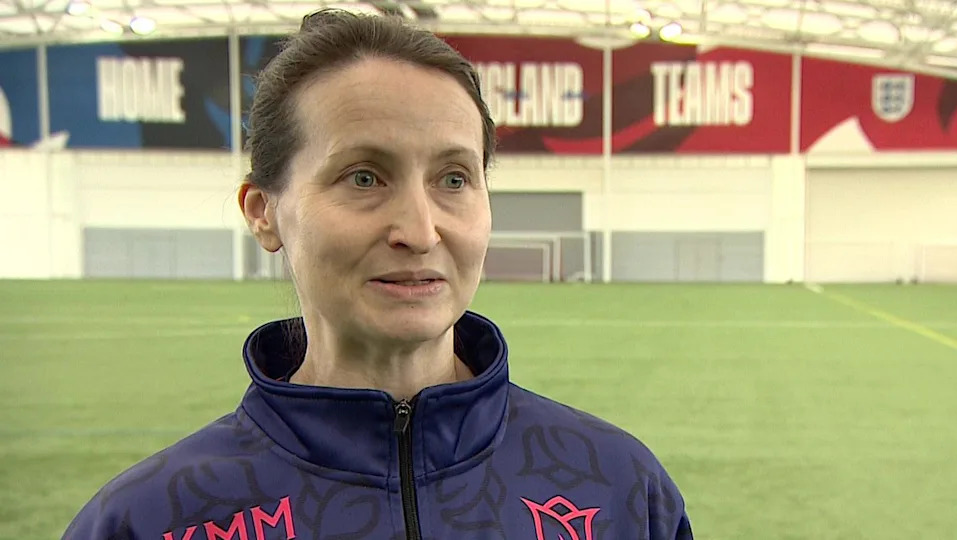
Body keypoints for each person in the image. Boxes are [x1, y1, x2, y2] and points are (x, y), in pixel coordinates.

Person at [63, 9, 694, 540]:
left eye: (454, 179)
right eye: (364, 177)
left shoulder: (620, 490)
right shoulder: (152, 519)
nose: (420, 231)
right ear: (264, 213)